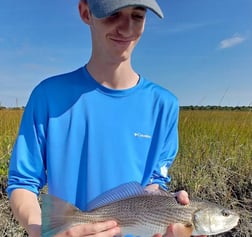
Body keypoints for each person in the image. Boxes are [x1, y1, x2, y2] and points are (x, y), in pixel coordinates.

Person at [7, 1, 205, 237]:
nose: (126, 28)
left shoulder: (165, 104)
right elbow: (23, 182)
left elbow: (154, 182)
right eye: (113, 14)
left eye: (138, 16)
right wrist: (39, 231)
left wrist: (169, 209)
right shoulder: (48, 95)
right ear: (85, 12)